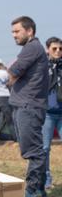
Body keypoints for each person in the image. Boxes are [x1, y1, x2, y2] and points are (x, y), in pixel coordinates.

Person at [7, 16, 49, 197]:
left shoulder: (32, 47)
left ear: (29, 31)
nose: (14, 35)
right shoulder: (31, 48)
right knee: (31, 149)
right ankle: (38, 189)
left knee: (33, 150)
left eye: (17, 31)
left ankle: (33, 189)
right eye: (12, 32)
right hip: (25, 104)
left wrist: (7, 74)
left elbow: (12, 72)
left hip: (29, 105)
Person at [43, 37, 62, 189]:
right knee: (45, 148)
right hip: (47, 113)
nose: (58, 52)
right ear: (48, 49)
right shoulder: (42, 66)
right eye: (54, 49)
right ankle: (46, 179)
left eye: (60, 49)